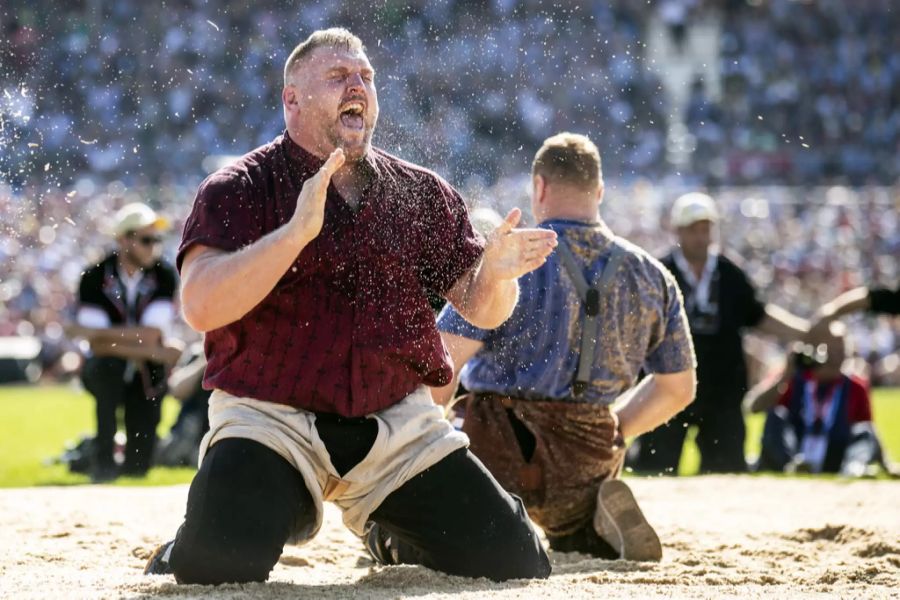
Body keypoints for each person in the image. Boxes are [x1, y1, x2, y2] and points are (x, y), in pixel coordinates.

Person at [144, 28, 557, 584]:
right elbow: (199, 305)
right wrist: (293, 234)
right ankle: (218, 530)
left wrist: (499, 274)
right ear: (291, 99)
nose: (356, 86)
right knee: (216, 565)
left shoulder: (420, 190)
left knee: (517, 562)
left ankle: (389, 535)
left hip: (396, 426)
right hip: (272, 420)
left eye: (365, 77)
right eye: (338, 77)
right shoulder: (239, 186)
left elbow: (482, 309)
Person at [434, 132, 697, 561]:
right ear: (599, 191)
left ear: (539, 187)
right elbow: (679, 388)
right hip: (590, 455)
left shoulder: (509, 261)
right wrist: (619, 429)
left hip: (497, 451)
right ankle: (588, 527)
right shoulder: (653, 275)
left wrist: (430, 441)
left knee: (405, 528)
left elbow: (441, 363)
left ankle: (461, 524)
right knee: (573, 524)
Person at [629, 193, 809, 474]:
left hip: (723, 391)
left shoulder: (731, 274)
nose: (701, 237)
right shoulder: (657, 272)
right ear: (677, 231)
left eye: (705, 229)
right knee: (655, 470)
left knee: (727, 472)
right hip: (664, 388)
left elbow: (757, 316)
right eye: (693, 230)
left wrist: (806, 332)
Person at [66, 202, 181, 482]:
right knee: (109, 369)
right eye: (146, 239)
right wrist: (154, 350)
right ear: (123, 240)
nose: (153, 246)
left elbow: (106, 336)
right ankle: (102, 460)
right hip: (111, 368)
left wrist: (97, 336)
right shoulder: (93, 276)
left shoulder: (165, 275)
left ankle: (107, 460)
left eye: (156, 240)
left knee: (139, 467)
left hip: (146, 373)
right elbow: (100, 347)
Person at [744, 322, 885, 476]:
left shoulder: (855, 387)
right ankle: (791, 468)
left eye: (841, 352)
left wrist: (886, 463)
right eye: (830, 352)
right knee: (775, 416)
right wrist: (785, 376)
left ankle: (855, 468)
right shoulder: (793, 378)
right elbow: (753, 407)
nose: (835, 359)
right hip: (795, 452)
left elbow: (867, 433)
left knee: (863, 430)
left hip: (835, 455)